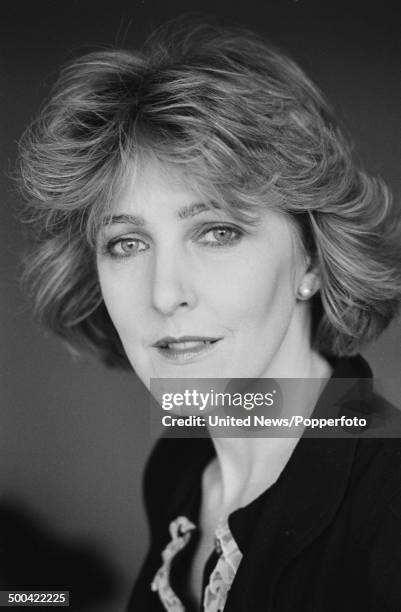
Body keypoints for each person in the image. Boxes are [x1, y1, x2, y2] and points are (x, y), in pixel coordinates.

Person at [18, 17, 401, 612]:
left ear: (313, 262)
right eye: (127, 243)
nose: (165, 293)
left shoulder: (390, 510)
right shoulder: (181, 468)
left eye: (217, 232)